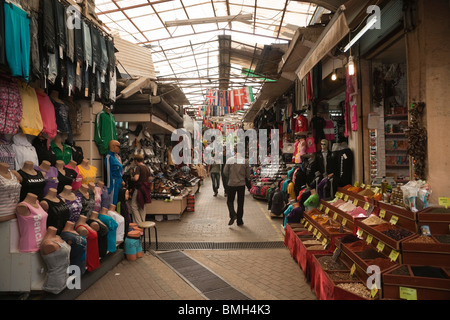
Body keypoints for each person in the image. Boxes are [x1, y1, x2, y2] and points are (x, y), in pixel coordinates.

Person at [223, 150, 250, 226]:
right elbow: (248, 175)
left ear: (235, 152)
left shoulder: (229, 160)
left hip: (231, 184)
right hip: (241, 185)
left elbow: (225, 172)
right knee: (240, 203)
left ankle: (233, 214)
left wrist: (231, 176)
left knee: (229, 201)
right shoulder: (245, 161)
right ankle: (239, 221)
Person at [130, 153, 152, 224]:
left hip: (139, 188)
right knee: (142, 206)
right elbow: (149, 178)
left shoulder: (138, 167)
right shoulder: (147, 167)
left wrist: (132, 178)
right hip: (145, 189)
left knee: (133, 206)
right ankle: (143, 222)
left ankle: (138, 223)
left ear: (136, 160)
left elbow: (136, 178)